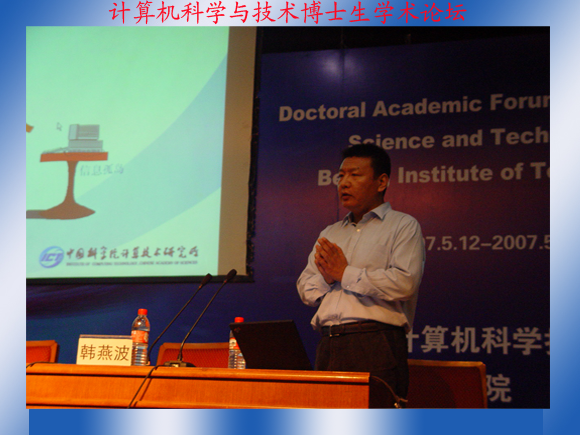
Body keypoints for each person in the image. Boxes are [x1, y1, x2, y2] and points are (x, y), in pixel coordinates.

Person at [297, 144, 425, 408]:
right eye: (341, 176)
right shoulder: (330, 232)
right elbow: (306, 289)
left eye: (355, 175)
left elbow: (405, 283)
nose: (344, 183)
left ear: (381, 182)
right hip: (329, 342)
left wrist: (345, 273)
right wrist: (329, 278)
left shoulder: (403, 226)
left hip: (376, 342)